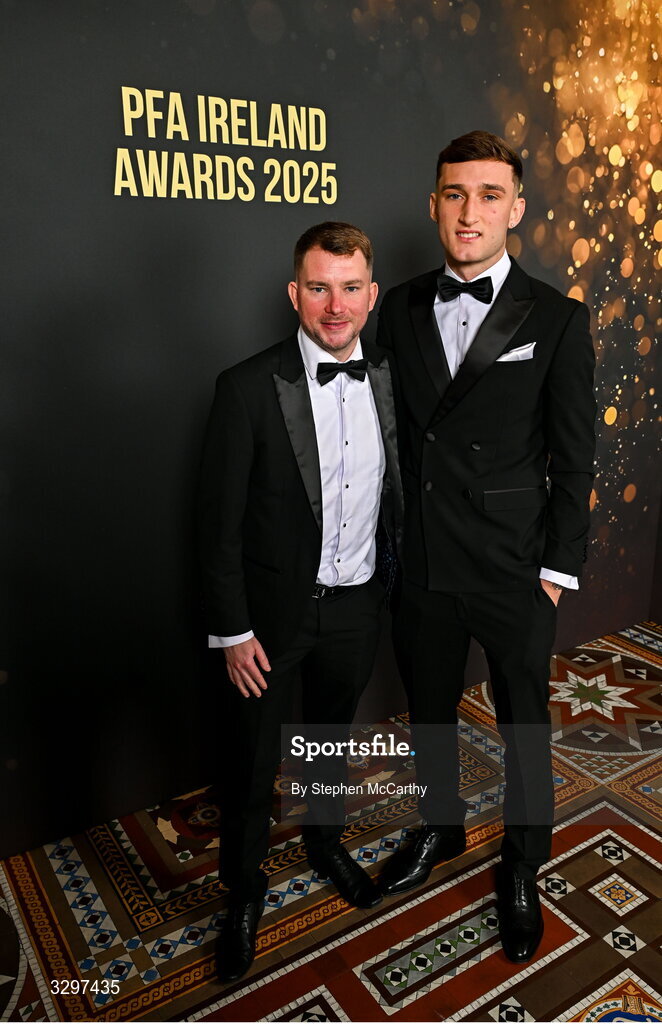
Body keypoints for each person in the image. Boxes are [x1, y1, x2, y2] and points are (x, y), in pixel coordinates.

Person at [376, 131, 596, 963]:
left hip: (513, 568)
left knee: (524, 727)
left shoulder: (559, 318)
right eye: (455, 195)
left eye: (489, 195)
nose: (471, 213)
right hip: (426, 559)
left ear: (518, 207)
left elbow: (575, 458)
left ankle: (522, 868)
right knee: (429, 712)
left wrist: (554, 574)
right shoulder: (395, 306)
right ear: (434, 203)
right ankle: (442, 830)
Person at [197, 222, 402, 983]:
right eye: (319, 287)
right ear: (295, 293)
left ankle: (324, 843)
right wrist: (233, 631)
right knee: (253, 762)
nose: (335, 304)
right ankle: (245, 891)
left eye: (351, 288)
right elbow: (215, 526)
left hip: (356, 607)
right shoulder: (248, 386)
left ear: (371, 295)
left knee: (327, 740)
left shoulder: (388, 372)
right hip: (270, 621)